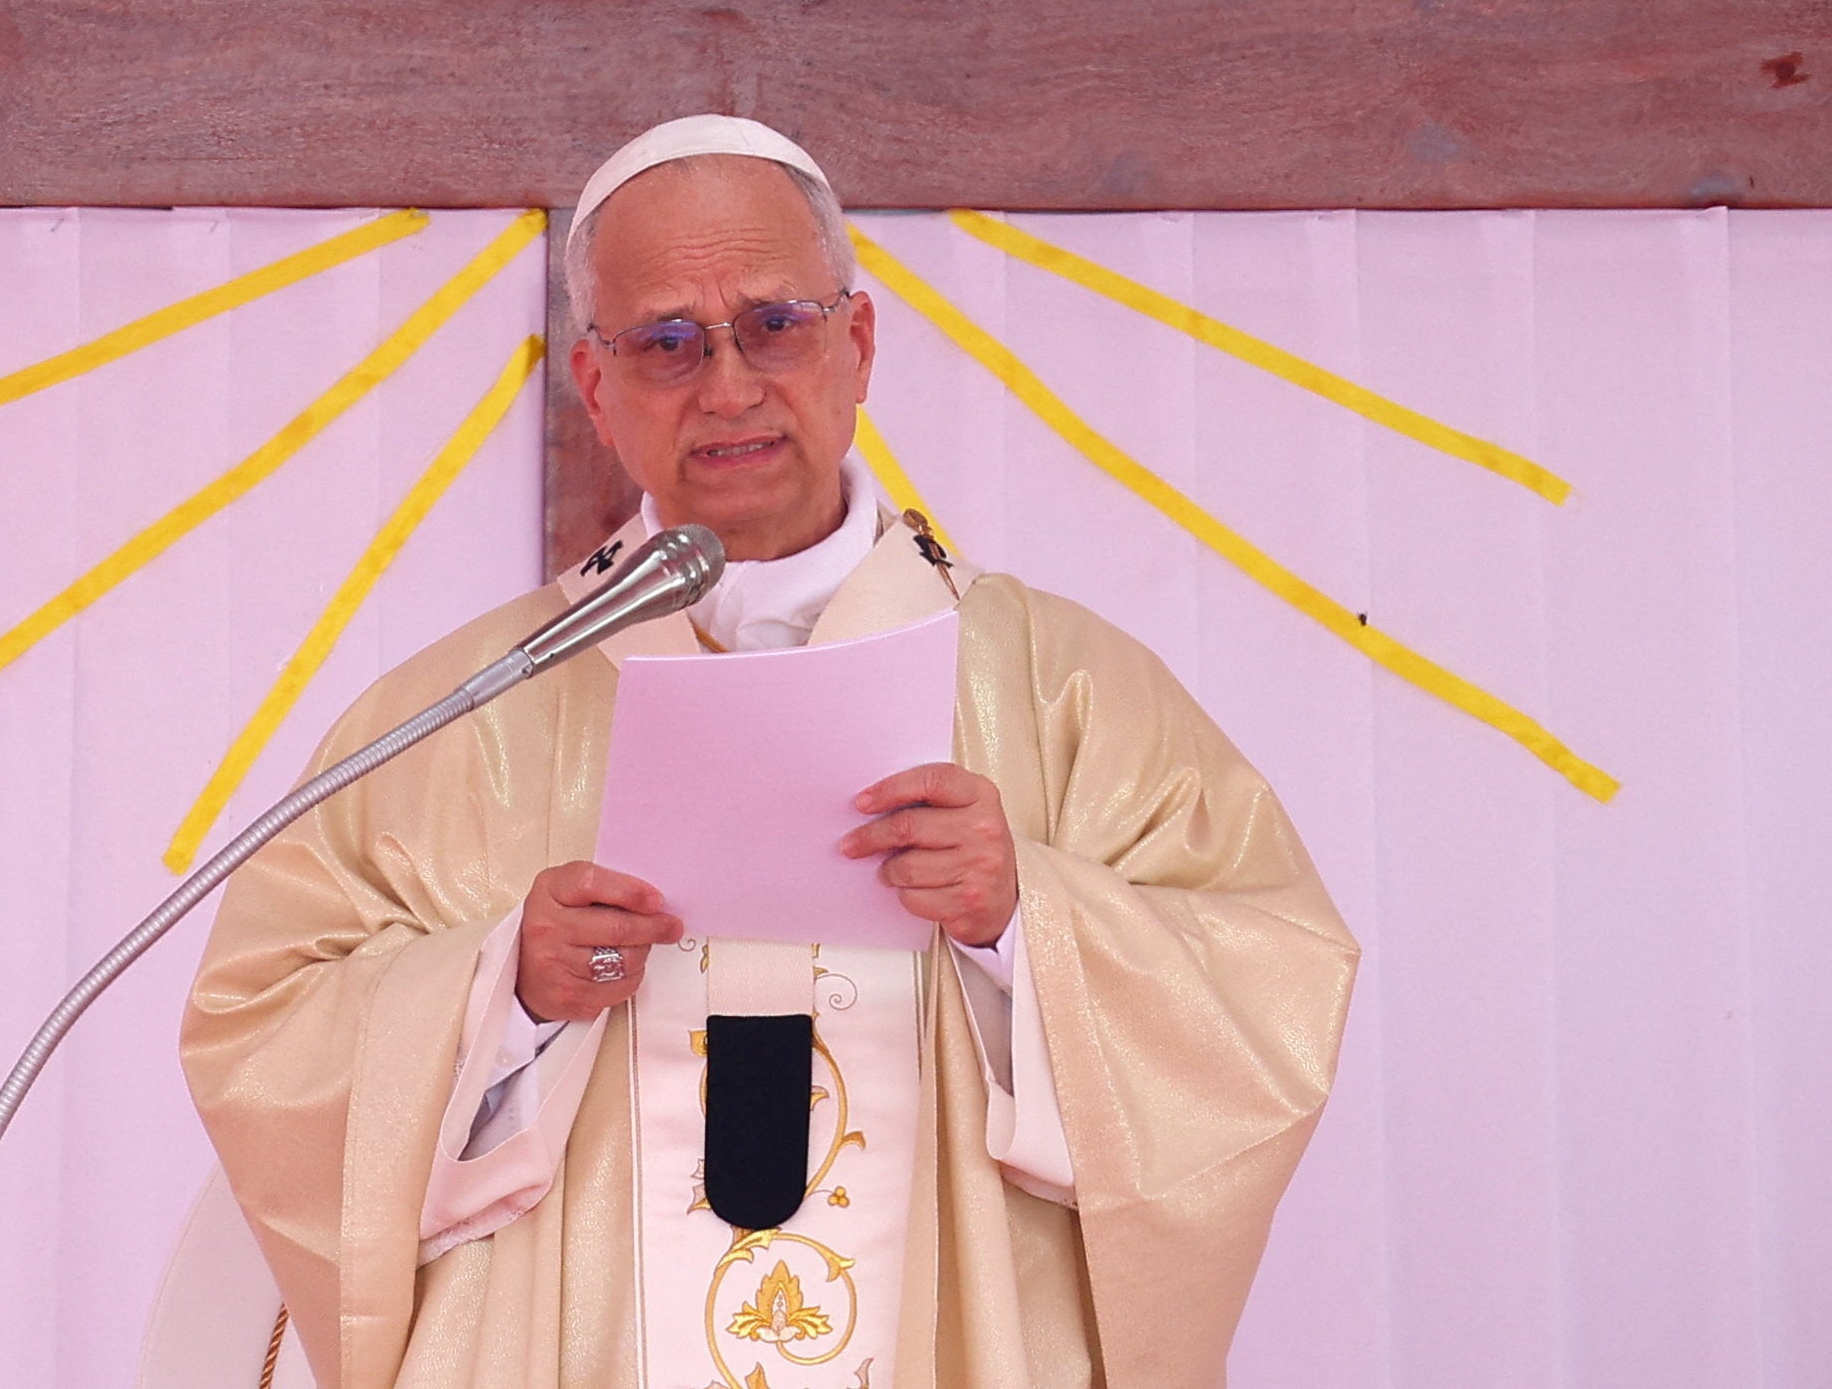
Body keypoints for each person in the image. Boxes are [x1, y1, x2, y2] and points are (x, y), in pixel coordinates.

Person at [182, 117, 1356, 1389]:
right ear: (597, 388)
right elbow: (260, 1028)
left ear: (855, 344)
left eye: (774, 325)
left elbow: (1267, 993)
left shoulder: (1066, 689)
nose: (727, 386)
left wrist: (1025, 921)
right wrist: (498, 995)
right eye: (666, 343)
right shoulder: (458, 717)